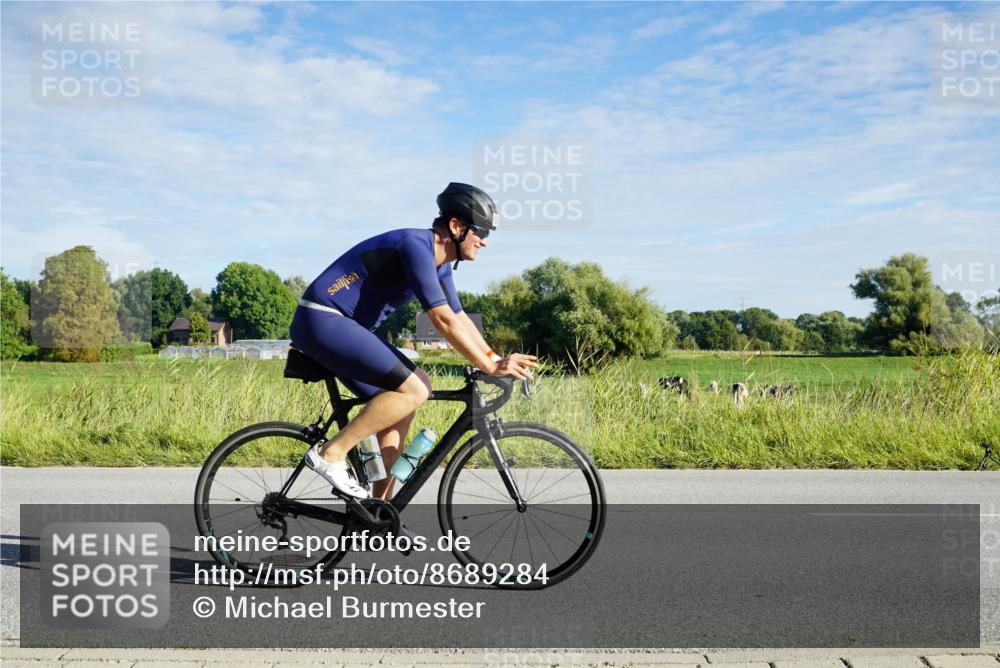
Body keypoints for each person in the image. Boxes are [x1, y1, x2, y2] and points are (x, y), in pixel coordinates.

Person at [290, 182, 539, 500]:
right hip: (322, 319)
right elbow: (442, 320)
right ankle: (330, 454)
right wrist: (489, 366)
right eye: (482, 232)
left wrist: (493, 357)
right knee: (415, 388)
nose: (485, 242)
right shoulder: (416, 246)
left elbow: (459, 316)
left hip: (346, 327)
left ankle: (379, 508)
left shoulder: (442, 265)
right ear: (456, 226)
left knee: (403, 401)